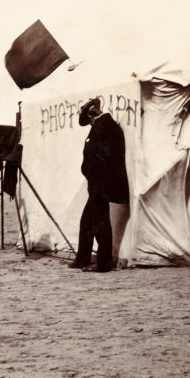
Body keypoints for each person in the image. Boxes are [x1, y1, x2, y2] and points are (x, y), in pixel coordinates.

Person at [70, 97, 130, 272]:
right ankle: (82, 259)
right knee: (87, 222)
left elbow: (105, 156)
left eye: (89, 119)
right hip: (97, 184)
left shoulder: (104, 127)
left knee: (100, 223)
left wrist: (93, 173)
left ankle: (103, 263)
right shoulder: (105, 125)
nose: (90, 122)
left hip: (100, 184)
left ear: (93, 112)